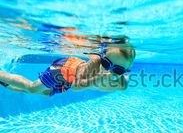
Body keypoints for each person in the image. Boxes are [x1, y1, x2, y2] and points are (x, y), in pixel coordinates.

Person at [0, 42, 136, 96]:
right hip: (64, 70)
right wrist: (97, 79)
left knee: (45, 93)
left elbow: (121, 83)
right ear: (102, 56)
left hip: (68, 80)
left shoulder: (120, 81)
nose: (109, 71)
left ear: (124, 71)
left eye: (117, 70)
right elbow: (76, 86)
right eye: (106, 64)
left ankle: (5, 84)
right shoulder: (95, 62)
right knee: (32, 88)